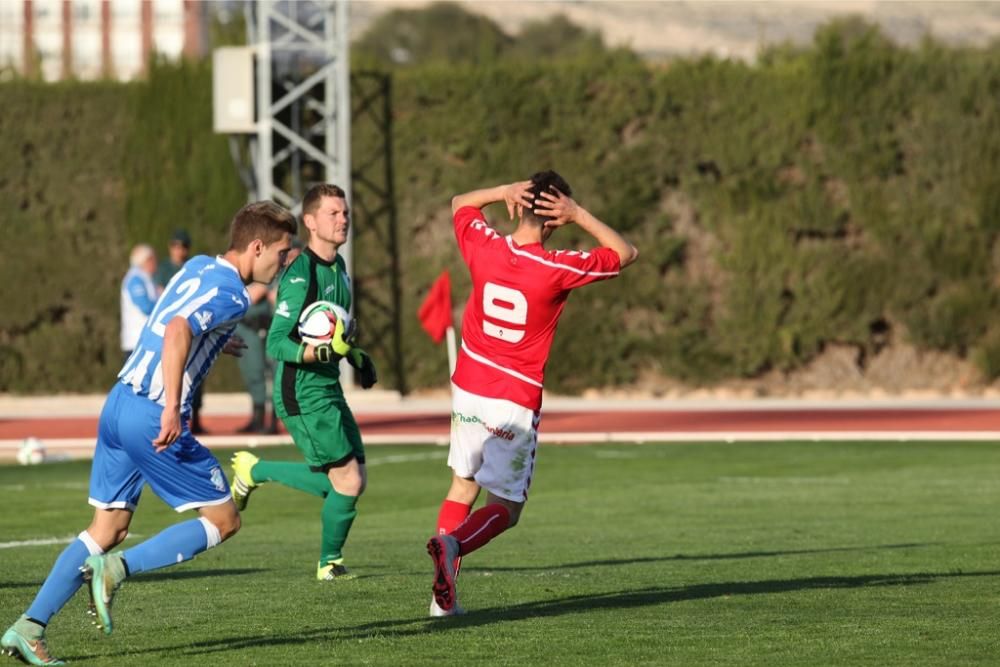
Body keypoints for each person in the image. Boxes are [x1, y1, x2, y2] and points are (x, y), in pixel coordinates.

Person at [0, 202, 296, 666]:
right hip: (152, 412)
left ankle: (28, 627)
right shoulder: (236, 296)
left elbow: (171, 316)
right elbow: (178, 329)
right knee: (225, 520)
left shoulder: (199, 266)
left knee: (108, 527)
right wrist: (175, 406)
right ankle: (116, 571)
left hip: (118, 403)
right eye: (281, 253)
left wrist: (219, 339)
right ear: (256, 247)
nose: (283, 263)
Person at [425, 172, 638, 616]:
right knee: (507, 507)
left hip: (468, 385)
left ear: (518, 205)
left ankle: (441, 603)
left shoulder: (484, 246)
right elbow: (626, 252)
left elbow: (461, 200)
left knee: (462, 486)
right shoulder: (557, 267)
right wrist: (579, 214)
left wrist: (500, 191)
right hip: (513, 398)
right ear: (554, 219)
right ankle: (452, 544)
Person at [229, 183, 378, 582]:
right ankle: (328, 564)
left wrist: (357, 357)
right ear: (310, 222)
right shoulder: (301, 273)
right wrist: (317, 355)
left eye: (345, 212)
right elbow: (278, 342)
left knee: (352, 479)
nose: (343, 219)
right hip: (301, 389)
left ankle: (254, 471)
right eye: (333, 213)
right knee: (347, 479)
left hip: (328, 386)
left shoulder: (339, 268)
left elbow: (335, 336)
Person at [234, 241, 303, 434]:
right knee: (255, 373)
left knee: (277, 377)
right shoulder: (273, 272)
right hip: (259, 328)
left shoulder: (298, 276)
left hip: (281, 332)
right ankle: (258, 419)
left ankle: (273, 421)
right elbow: (256, 293)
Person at [153, 229, 207, 434]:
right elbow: (160, 295)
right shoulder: (165, 269)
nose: (179, 250)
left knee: (195, 375)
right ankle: (171, 417)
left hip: (191, 325)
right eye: (176, 246)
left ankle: (196, 419)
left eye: (183, 246)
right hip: (172, 325)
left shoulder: (193, 266)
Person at [120, 244, 158, 364]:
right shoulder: (135, 279)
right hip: (136, 343)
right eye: (154, 259)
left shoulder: (145, 278)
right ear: (147, 260)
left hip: (144, 342)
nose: (156, 262)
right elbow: (146, 307)